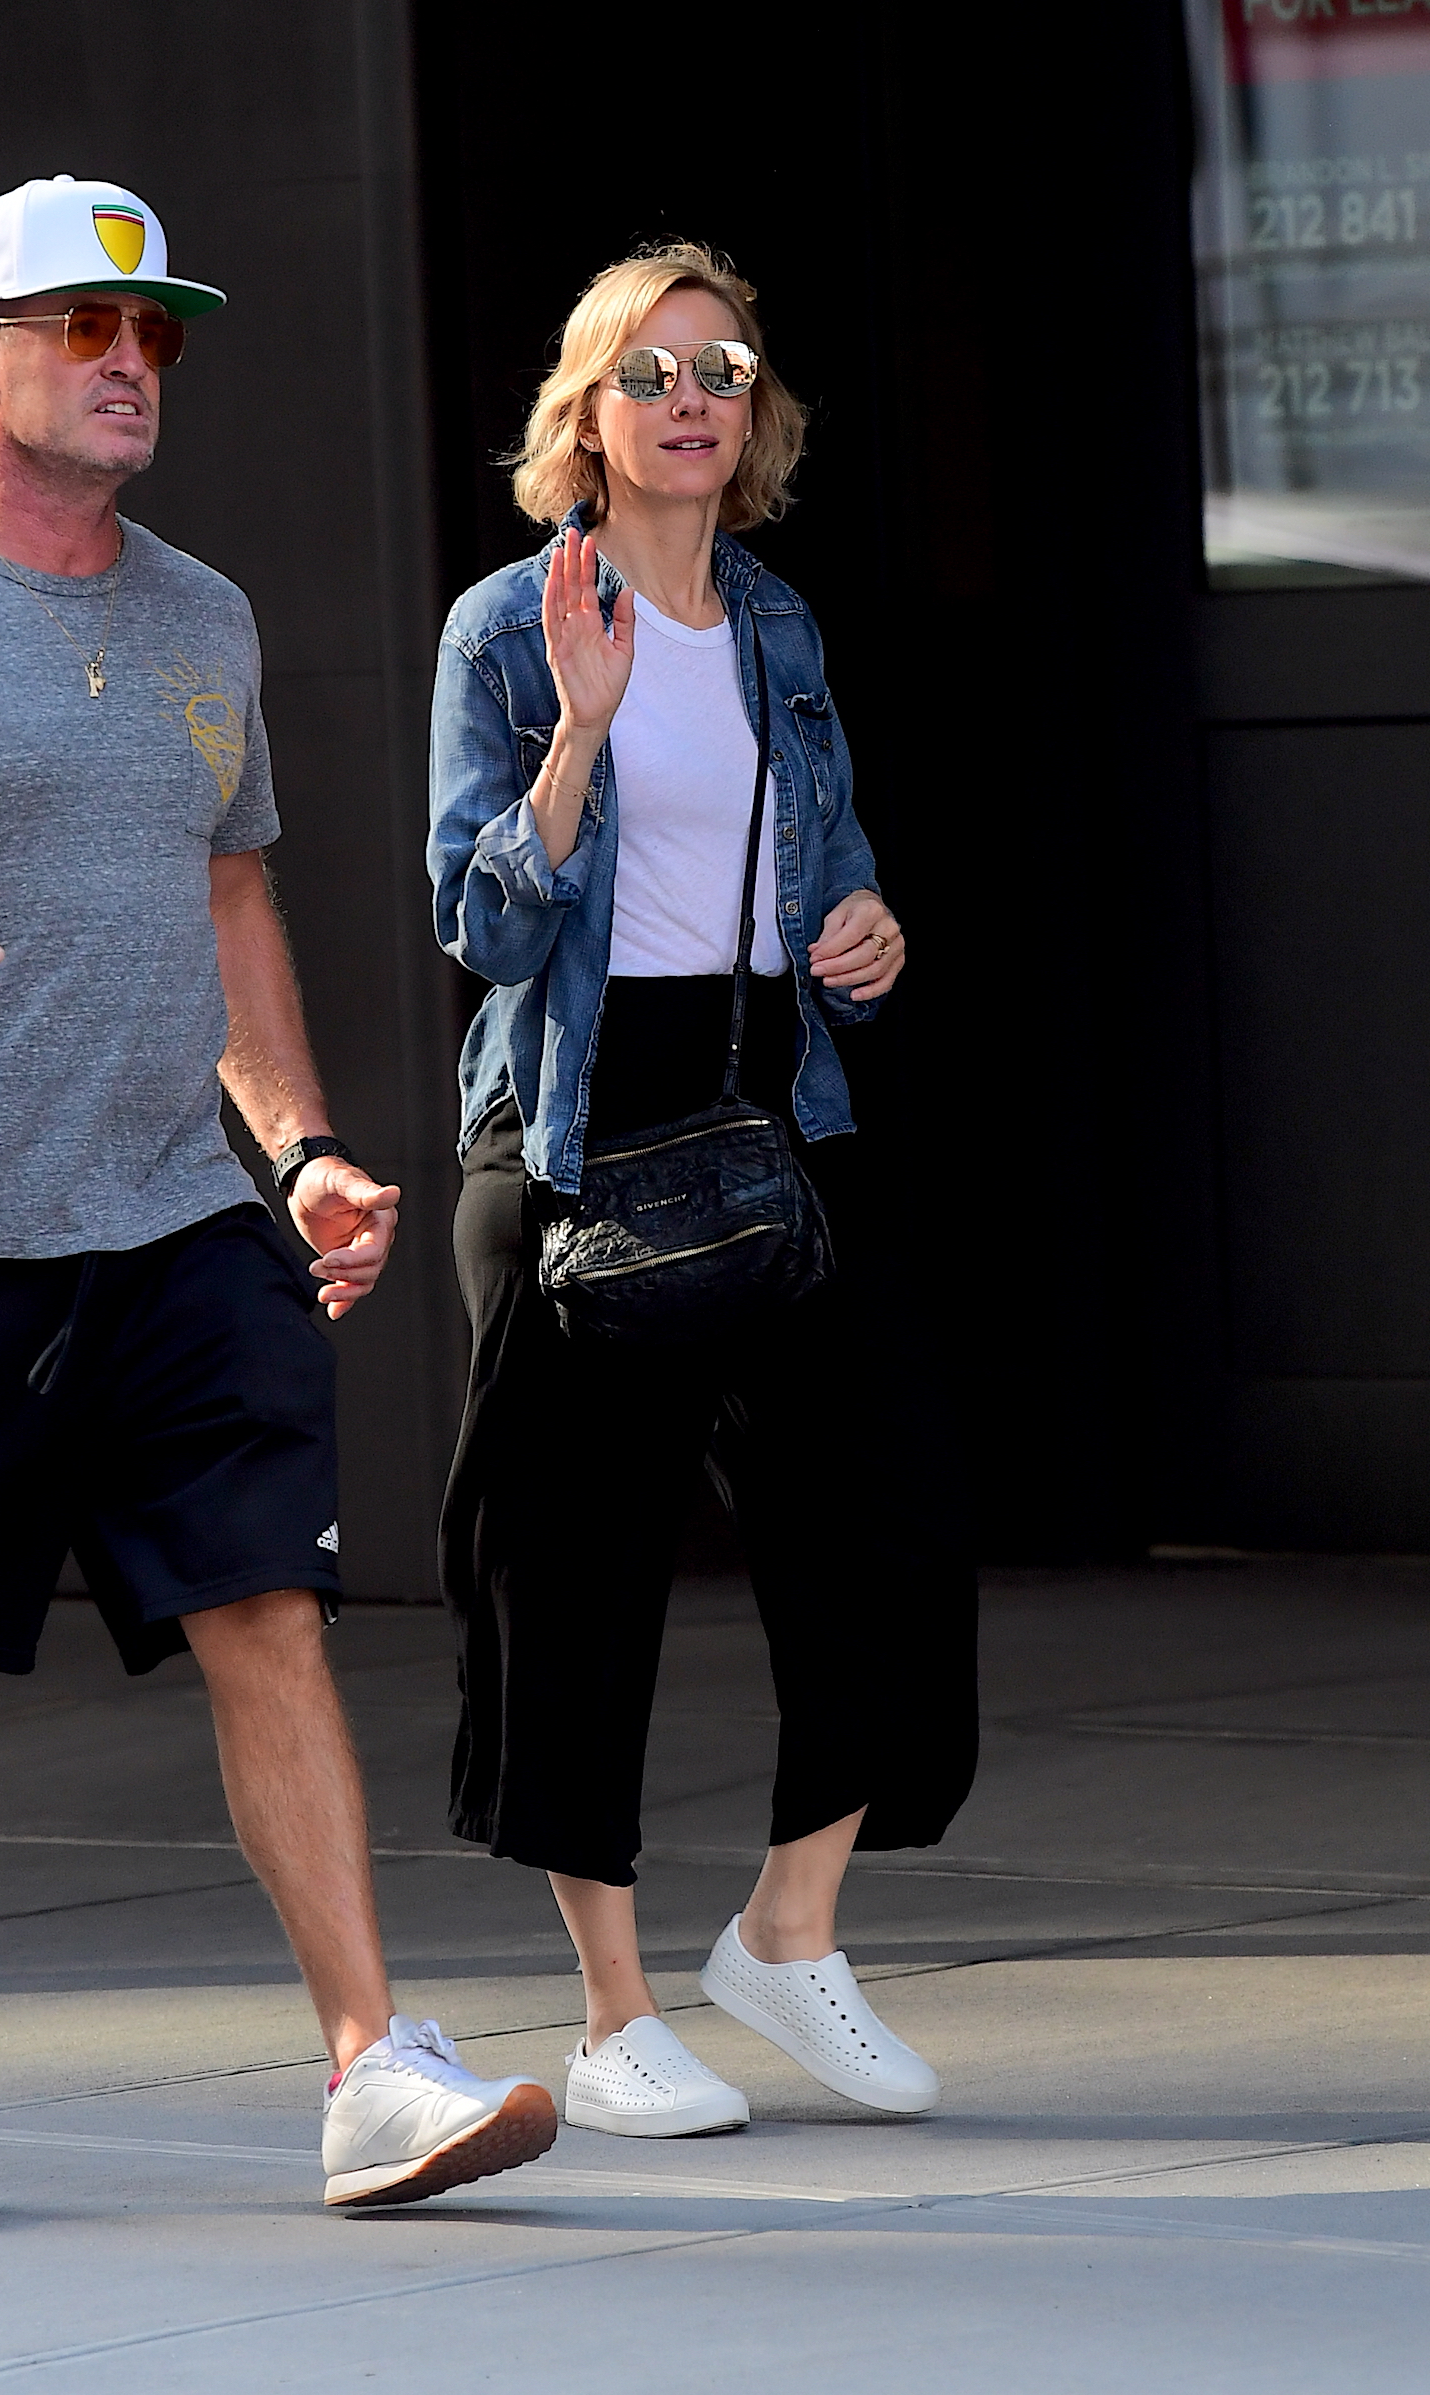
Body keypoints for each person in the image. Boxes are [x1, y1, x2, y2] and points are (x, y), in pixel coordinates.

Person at [0, 174, 556, 2230]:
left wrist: (298, 1146)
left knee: (269, 1617)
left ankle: (368, 2068)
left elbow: (227, 894)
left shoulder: (203, 613)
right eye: (85, 326)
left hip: (175, 1224)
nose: (133, 360)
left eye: (155, 331)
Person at [427, 243, 979, 2136]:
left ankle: (786, 1931)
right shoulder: (509, 628)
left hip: (772, 1101)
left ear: (755, 415)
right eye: (650, 373)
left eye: (721, 372)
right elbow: (482, 924)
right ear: (585, 415)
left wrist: (867, 925)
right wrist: (579, 729)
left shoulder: (777, 624)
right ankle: (610, 2017)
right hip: (580, 1126)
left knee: (893, 1525)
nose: (690, 401)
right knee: (576, 1575)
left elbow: (826, 861)